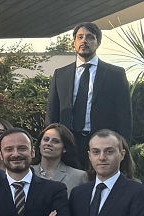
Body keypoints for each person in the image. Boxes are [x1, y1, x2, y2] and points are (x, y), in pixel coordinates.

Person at [45, 22, 134, 158]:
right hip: (68, 143)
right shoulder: (60, 74)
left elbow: (124, 115)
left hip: (102, 144)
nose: (84, 41)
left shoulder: (114, 74)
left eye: (90, 37)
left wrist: (123, 146)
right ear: (74, 42)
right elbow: (52, 113)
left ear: (98, 42)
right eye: (80, 37)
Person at [34, 124, 88, 192]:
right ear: (39, 144)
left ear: (64, 148)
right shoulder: (27, 171)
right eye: (46, 139)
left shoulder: (78, 176)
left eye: (55, 141)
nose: (48, 143)